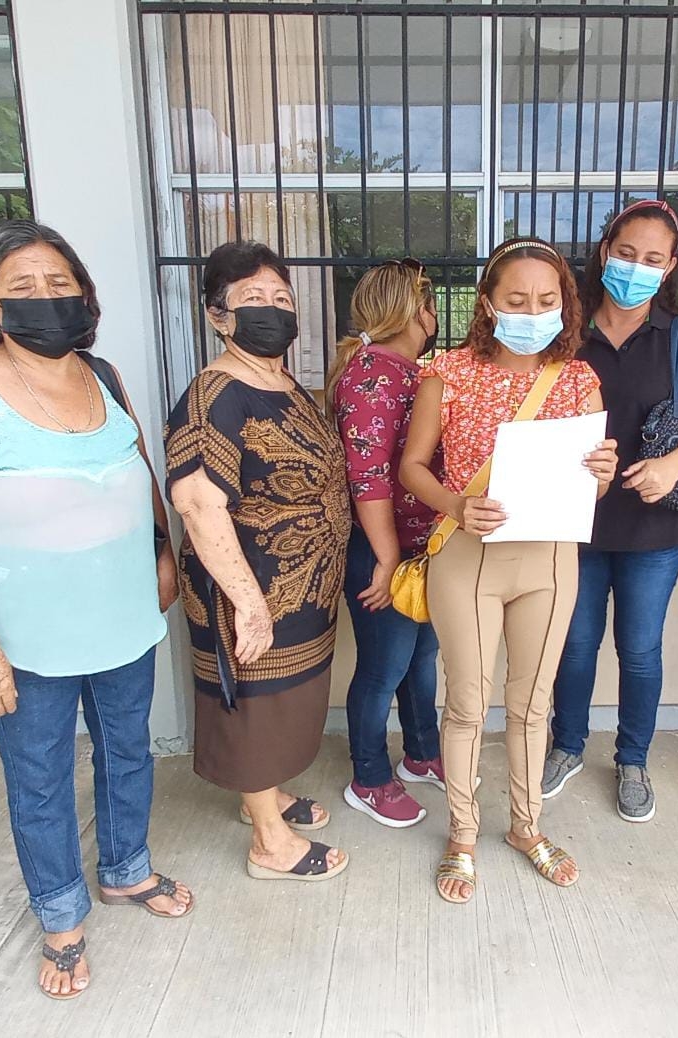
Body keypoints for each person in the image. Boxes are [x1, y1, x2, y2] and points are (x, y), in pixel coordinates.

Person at [0, 220, 191, 1002]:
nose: (46, 299)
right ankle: (62, 918)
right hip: (25, 640)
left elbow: (139, 471)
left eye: (60, 284)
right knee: (38, 779)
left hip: (125, 620)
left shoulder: (101, 373)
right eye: (23, 289)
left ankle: (126, 871)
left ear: (85, 296)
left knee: (128, 752)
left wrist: (165, 563)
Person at [400, 237, 619, 904]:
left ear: (565, 304)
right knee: (466, 703)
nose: (533, 311)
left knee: (531, 705)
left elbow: (590, 486)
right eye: (517, 299)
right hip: (468, 559)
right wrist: (457, 506)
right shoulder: (447, 371)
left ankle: (527, 827)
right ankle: (462, 835)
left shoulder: (578, 379)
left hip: (550, 559)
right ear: (488, 304)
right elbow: (411, 468)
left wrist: (603, 477)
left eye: (547, 300)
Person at [542, 200, 678, 822]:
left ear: (670, 266)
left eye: (653, 259)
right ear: (605, 253)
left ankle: (632, 759)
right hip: (574, 521)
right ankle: (566, 746)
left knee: (640, 647)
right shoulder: (565, 336)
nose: (636, 267)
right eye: (627, 254)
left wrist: (673, 466)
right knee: (573, 644)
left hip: (656, 527)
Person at [165, 241, 351, 881]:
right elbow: (196, 503)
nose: (272, 311)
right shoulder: (215, 395)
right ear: (219, 317)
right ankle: (270, 844)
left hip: (303, 586)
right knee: (249, 705)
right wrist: (248, 603)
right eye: (252, 300)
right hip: (246, 590)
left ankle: (265, 798)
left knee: (286, 703)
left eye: (281, 299)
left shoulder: (283, 383)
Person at [327, 259, 446, 828]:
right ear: (412, 310)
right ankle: (369, 777)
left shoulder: (408, 373)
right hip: (383, 552)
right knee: (383, 668)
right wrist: (386, 558)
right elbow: (367, 476)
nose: (434, 316)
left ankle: (422, 753)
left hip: (419, 550)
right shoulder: (372, 373)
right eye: (429, 303)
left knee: (422, 658)